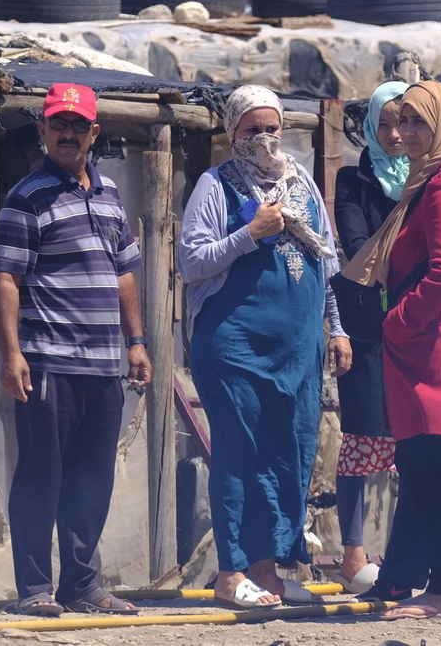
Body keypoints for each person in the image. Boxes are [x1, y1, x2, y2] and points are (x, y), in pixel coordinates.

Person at [178, 85, 353, 609]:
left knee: (289, 455)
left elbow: (326, 264)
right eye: (252, 130)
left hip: (298, 350)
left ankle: (268, 574)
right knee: (239, 454)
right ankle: (230, 574)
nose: (264, 139)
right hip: (235, 347)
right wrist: (249, 233)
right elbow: (191, 263)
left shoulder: (301, 184)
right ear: (233, 133)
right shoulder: (217, 185)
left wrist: (337, 328)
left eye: (272, 128)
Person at [343, 79, 441, 621]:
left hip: (437, 346)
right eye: (401, 121)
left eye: (417, 122)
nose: (407, 134)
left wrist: (398, 322)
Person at [0, 83, 153, 618]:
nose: (68, 134)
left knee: (91, 478)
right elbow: (8, 279)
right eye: (58, 124)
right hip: (48, 360)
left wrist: (136, 342)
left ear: (93, 133)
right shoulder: (26, 197)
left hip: (105, 364)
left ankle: (83, 585)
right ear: (42, 131)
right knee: (41, 475)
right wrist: (12, 354)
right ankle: (35, 589)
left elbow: (125, 273)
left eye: (77, 125)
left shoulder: (108, 195)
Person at [330, 80, 429, 600]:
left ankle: (405, 552)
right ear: (368, 127)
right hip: (369, 329)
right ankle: (353, 551)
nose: (395, 134)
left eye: (406, 123)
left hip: (417, 325)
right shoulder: (353, 180)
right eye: (385, 123)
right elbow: (354, 246)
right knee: (363, 439)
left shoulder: (428, 177)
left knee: (413, 441)